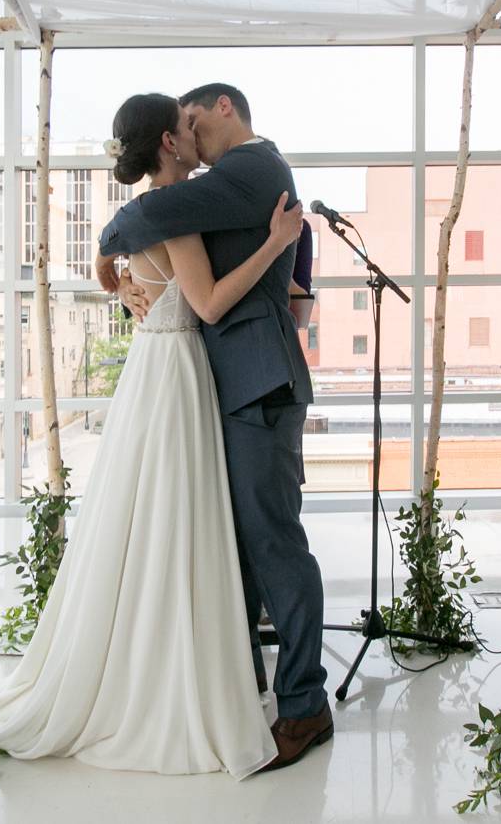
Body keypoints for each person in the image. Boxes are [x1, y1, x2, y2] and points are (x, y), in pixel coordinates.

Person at [0, 92, 303, 779]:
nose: (196, 136)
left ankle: (149, 658)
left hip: (151, 365)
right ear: (171, 145)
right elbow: (206, 303)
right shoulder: (176, 215)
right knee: (181, 519)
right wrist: (275, 244)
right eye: (186, 128)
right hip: (178, 371)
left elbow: (134, 268)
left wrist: (113, 272)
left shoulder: (153, 214)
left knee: (145, 518)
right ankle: (184, 674)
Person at [100, 83, 330, 770]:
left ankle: (305, 704)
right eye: (182, 129)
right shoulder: (231, 179)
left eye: (195, 121)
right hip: (234, 382)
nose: (190, 140)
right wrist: (116, 261)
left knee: (275, 544)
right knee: (238, 547)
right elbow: (166, 228)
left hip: (261, 379)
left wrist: (107, 243)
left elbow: (160, 210)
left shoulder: (254, 167)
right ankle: (250, 688)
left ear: (224, 108)